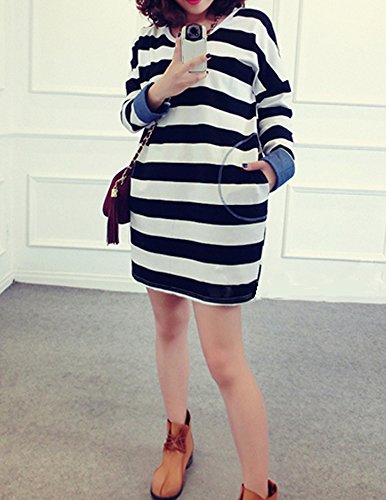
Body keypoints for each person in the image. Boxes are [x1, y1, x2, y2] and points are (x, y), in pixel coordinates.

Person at [119, 0, 294, 498]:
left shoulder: (252, 27)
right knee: (168, 327)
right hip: (160, 205)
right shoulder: (149, 40)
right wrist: (163, 87)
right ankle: (177, 439)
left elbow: (276, 104)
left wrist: (277, 163)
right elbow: (130, 115)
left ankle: (256, 489)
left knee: (224, 359)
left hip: (223, 208)